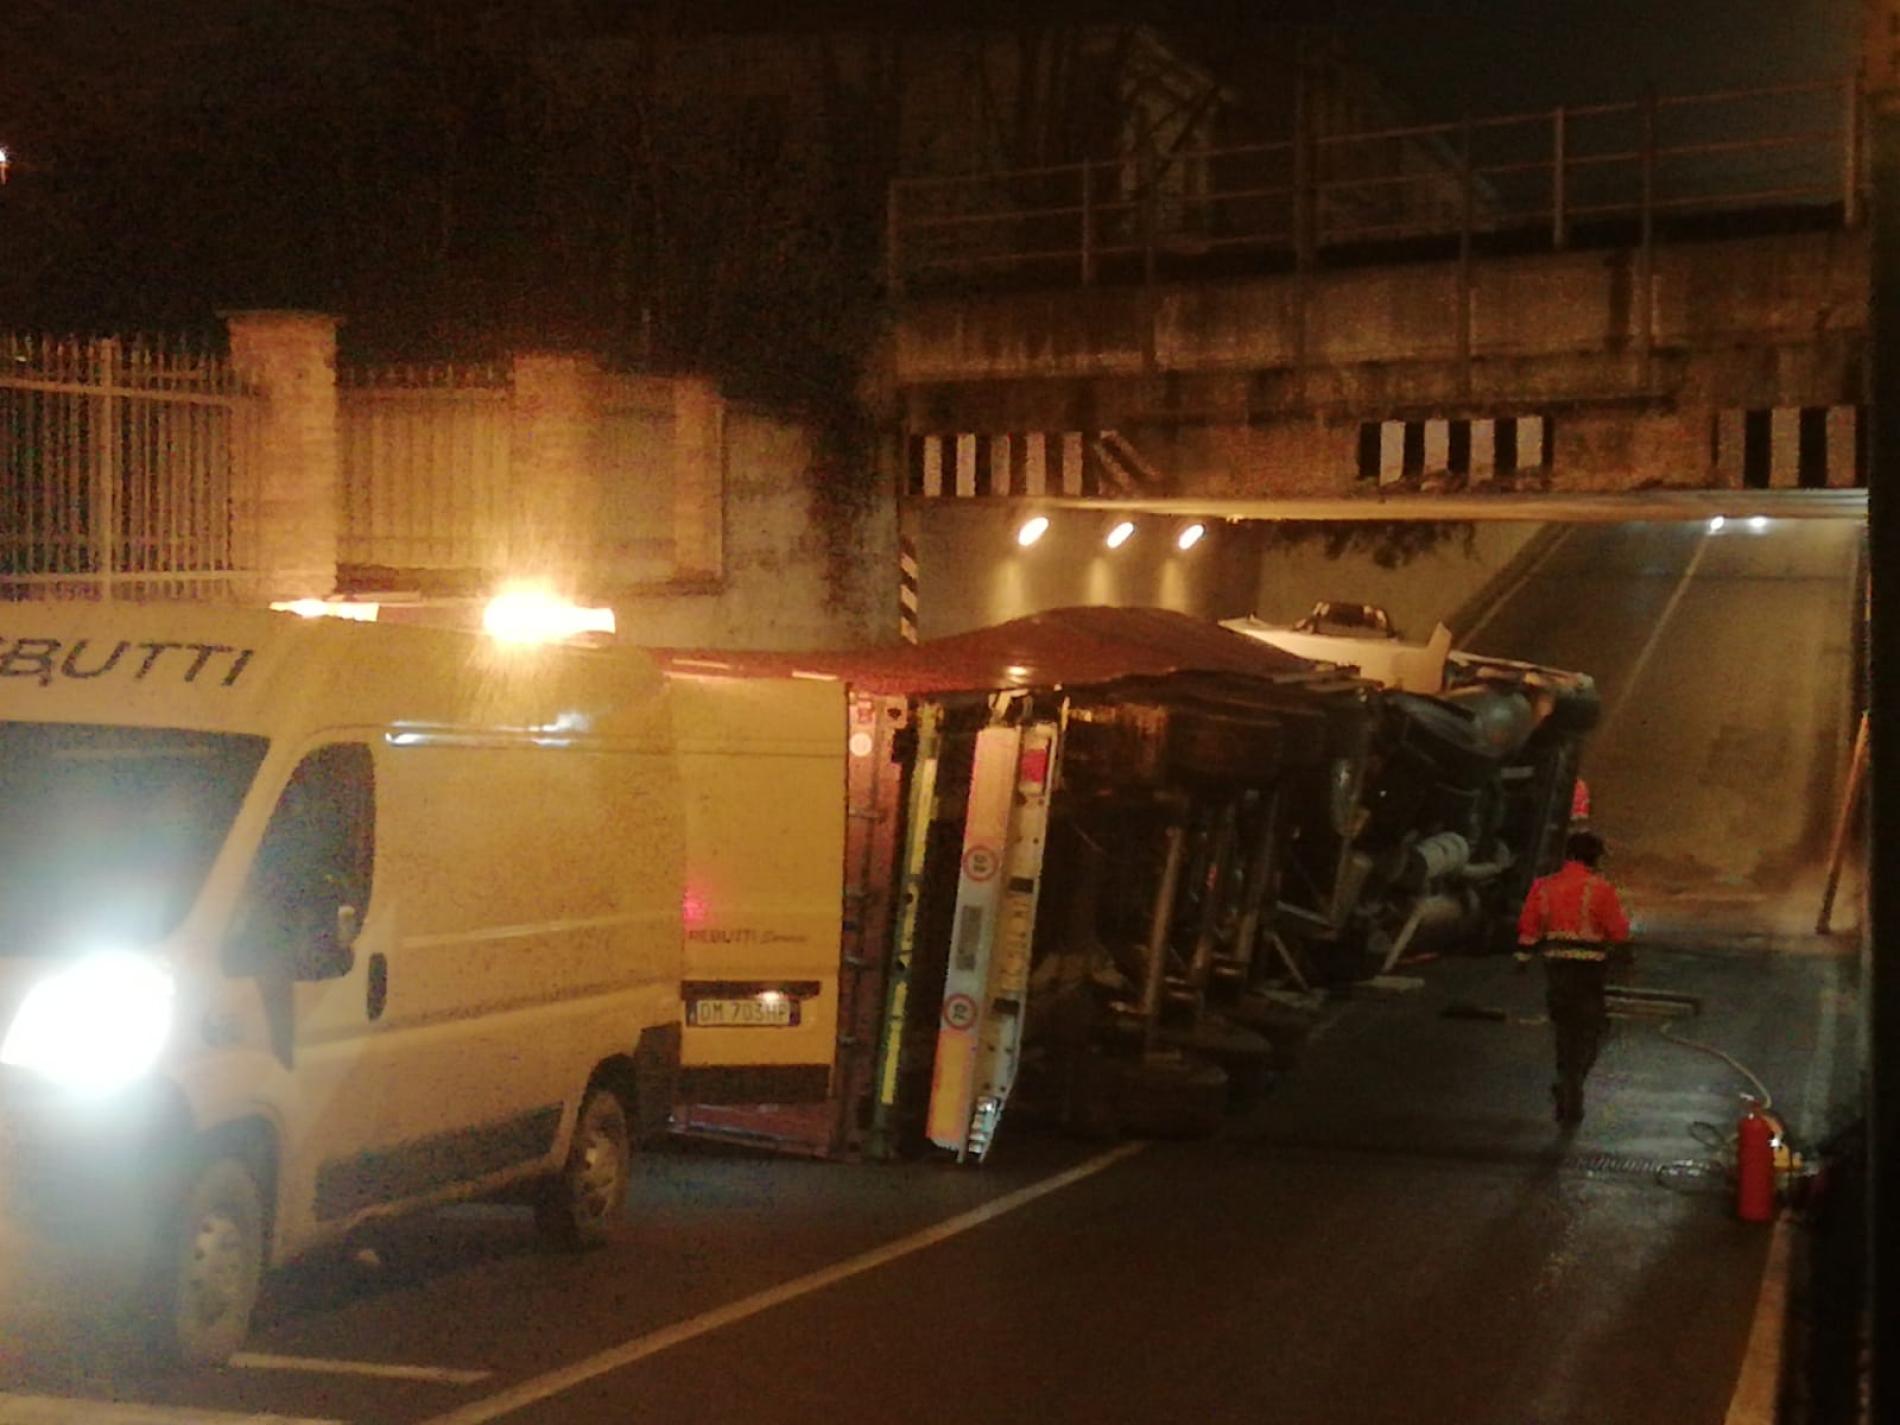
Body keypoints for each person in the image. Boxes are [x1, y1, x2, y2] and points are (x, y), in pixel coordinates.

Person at [1516, 829, 1631, 1124]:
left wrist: (1523, 958)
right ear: (1594, 858)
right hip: (1589, 970)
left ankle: (1566, 1077)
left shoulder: (1544, 886)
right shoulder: (1601, 889)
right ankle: (1574, 1080)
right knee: (1592, 1029)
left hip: (1557, 968)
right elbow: (1618, 932)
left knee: (1564, 1029)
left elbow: (1529, 928)